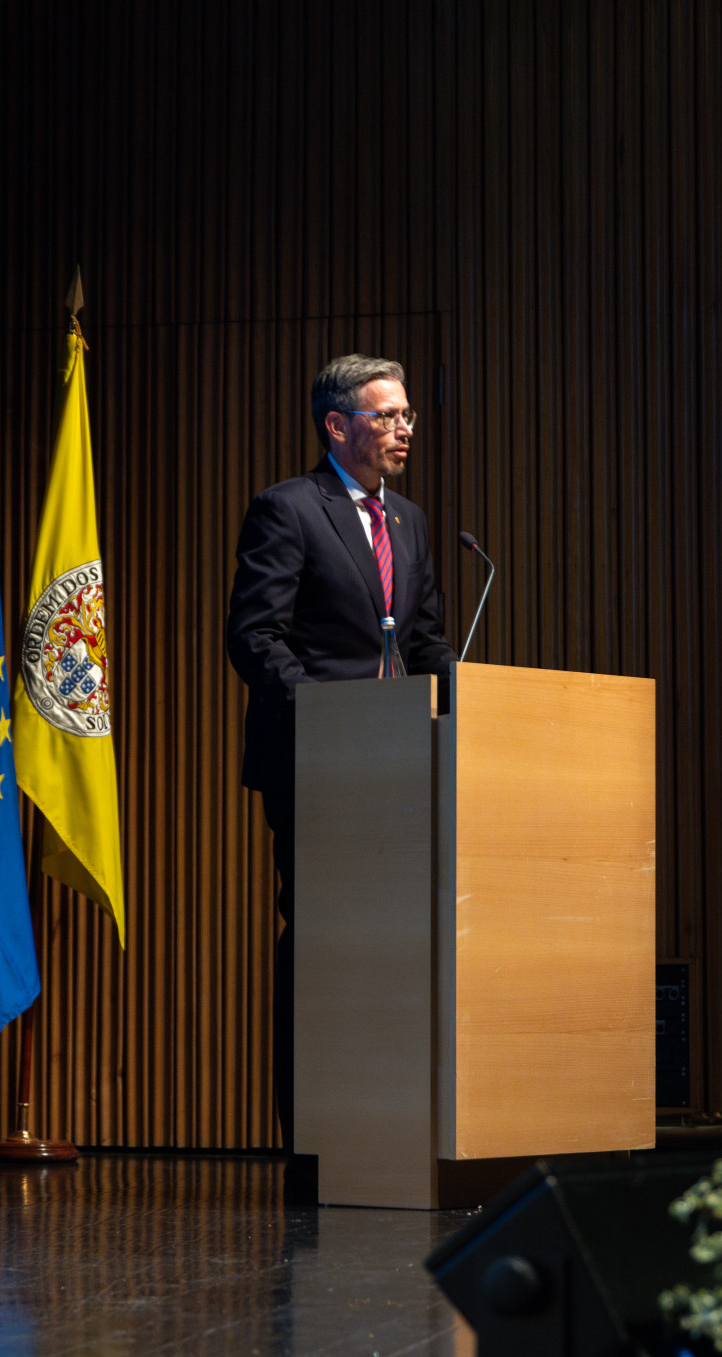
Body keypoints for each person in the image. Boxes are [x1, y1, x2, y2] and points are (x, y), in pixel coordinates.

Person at [226, 353, 457, 1165]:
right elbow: (255, 636)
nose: (404, 430)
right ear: (338, 426)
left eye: (407, 417)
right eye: (388, 416)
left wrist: (469, 694)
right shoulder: (289, 509)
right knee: (324, 946)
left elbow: (421, 638)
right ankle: (316, 1144)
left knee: (401, 947)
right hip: (319, 765)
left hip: (402, 769)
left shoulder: (413, 522)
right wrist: (332, 719)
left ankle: (388, 1136)